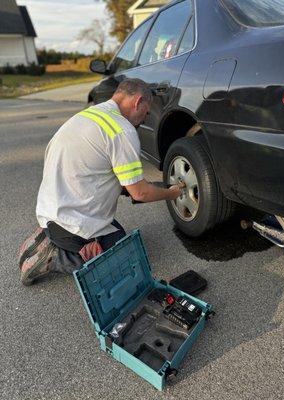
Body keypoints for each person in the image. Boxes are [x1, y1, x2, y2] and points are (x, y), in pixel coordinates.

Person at [18, 78, 182, 286]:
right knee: (124, 260)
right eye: (146, 112)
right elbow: (140, 193)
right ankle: (56, 257)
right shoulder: (122, 130)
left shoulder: (89, 115)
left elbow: (99, 172)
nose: (145, 118)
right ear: (138, 101)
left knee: (118, 234)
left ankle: (52, 234)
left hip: (51, 208)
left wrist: (136, 186)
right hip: (71, 222)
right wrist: (172, 193)